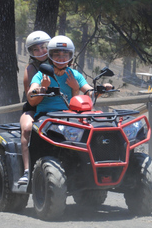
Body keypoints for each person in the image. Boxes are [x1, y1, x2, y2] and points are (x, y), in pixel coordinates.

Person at [27, 35, 113, 120]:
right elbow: (31, 96)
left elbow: (90, 93)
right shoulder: (42, 75)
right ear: (50, 56)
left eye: (65, 54)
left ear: (70, 56)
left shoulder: (75, 75)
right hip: (46, 116)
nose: (61, 59)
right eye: (56, 54)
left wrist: (102, 88)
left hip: (69, 117)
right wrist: (43, 88)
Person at [18, 31, 51, 185]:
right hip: (33, 107)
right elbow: (31, 101)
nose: (41, 52)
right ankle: (26, 170)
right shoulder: (30, 70)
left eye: (43, 47)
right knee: (27, 129)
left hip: (57, 107)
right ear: (31, 53)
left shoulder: (61, 62)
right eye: (35, 49)